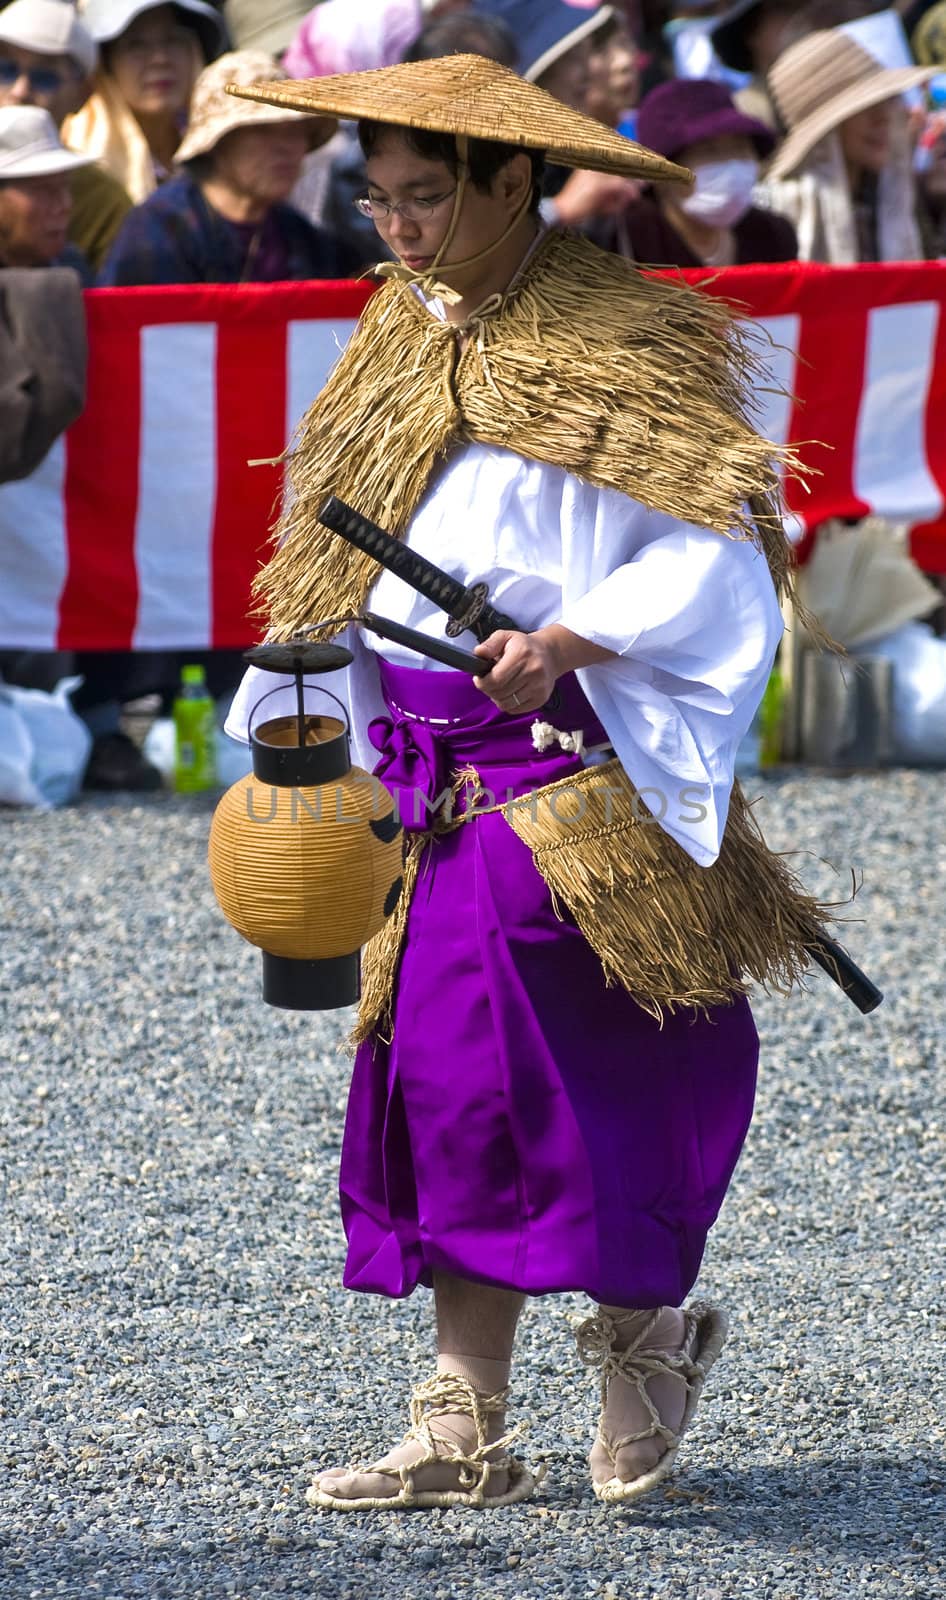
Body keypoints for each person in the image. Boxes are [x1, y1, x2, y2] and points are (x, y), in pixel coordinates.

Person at [224, 52, 839, 1510]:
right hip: (418, 764)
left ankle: (639, 1338)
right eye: (377, 199)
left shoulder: (630, 339)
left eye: (428, 197)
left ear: (514, 183)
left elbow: (713, 553)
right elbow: (325, 558)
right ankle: (460, 1421)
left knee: (594, 1069)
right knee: (437, 1079)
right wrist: (297, 732)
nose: (399, 227)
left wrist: (573, 635)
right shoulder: (391, 334)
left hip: (573, 762)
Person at [99, 50, 349, 283]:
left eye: (294, 131)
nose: (286, 147)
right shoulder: (158, 233)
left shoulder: (304, 238)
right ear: (217, 143)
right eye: (263, 130)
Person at [756, 28, 937, 261]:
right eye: (862, 108)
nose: (882, 118)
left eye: (886, 101)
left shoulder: (896, 200)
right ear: (824, 134)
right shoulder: (774, 214)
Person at [605, 75, 797, 264]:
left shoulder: (773, 238)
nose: (731, 162)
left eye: (740, 148)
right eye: (709, 150)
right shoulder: (628, 244)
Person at [0, 0, 132, 271]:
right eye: (5, 70)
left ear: (84, 93)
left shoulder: (103, 202)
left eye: (44, 76)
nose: (20, 91)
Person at [62, 0, 225, 203]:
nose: (160, 58)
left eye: (173, 39)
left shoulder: (223, 148)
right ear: (104, 65)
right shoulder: (78, 164)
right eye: (135, 45)